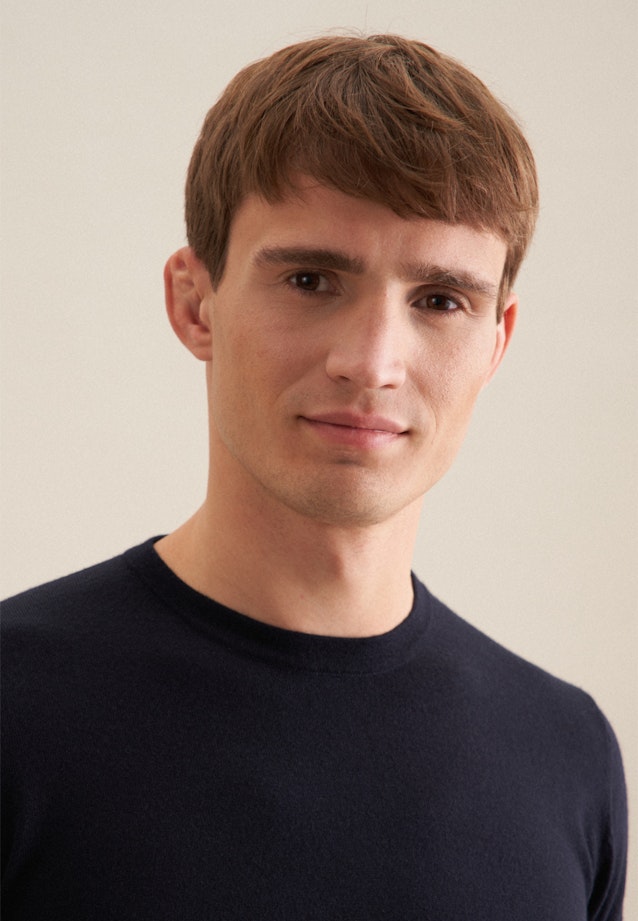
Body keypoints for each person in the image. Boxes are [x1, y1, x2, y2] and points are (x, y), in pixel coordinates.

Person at [1, 34, 627, 919]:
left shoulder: (567, 757)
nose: (371, 362)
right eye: (310, 279)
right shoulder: (17, 705)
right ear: (194, 302)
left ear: (497, 341)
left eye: (440, 300)